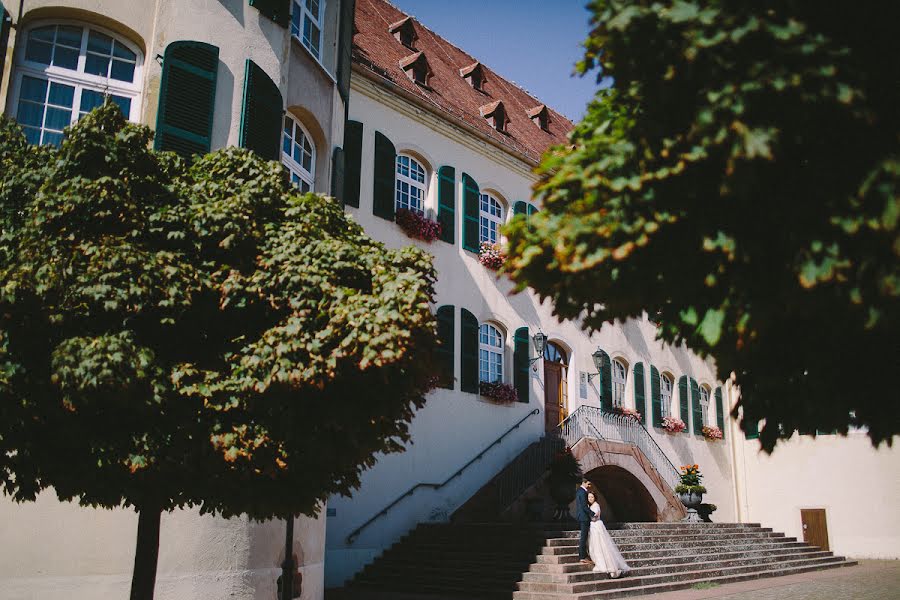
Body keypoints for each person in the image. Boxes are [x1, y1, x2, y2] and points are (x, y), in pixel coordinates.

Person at [587, 491, 630, 578]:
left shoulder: (596, 505)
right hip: (593, 526)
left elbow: (595, 517)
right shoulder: (591, 505)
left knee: (600, 544)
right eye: (589, 497)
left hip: (596, 526)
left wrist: (588, 514)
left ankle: (605, 564)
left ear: (595, 497)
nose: (590, 499)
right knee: (595, 545)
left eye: (591, 497)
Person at [575, 478, 593, 564]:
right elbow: (584, 506)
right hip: (584, 517)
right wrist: (593, 513)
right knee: (584, 537)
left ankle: (584, 555)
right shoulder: (582, 492)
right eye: (588, 484)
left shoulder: (580, 491)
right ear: (584, 482)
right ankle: (582, 556)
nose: (590, 486)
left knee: (584, 536)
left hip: (582, 516)